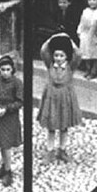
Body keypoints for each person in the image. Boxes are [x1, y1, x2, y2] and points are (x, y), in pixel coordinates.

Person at [38, 32, 82, 163]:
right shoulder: (50, 65)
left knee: (64, 126)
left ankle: (62, 150)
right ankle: (50, 151)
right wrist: (52, 38)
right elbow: (43, 51)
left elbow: (78, 54)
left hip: (65, 98)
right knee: (51, 126)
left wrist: (69, 40)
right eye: (56, 55)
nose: (58, 58)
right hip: (51, 98)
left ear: (66, 57)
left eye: (61, 56)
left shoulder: (70, 67)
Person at [0, 54, 23, 186]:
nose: (5, 72)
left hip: (9, 118)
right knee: (1, 144)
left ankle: (8, 171)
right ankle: (4, 166)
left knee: (6, 145)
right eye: (3, 70)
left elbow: (20, 101)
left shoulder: (17, 83)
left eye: (8, 69)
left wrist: (6, 109)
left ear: (12, 70)